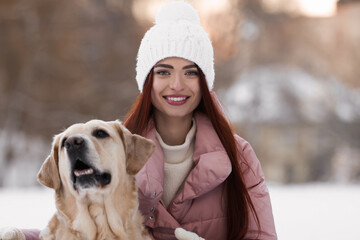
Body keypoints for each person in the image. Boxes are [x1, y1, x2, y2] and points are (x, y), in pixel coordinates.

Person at [0, 1, 277, 240]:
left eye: (191, 72)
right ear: (148, 80)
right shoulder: (114, 149)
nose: (177, 84)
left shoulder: (239, 156)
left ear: (205, 81)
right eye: (164, 72)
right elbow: (76, 230)